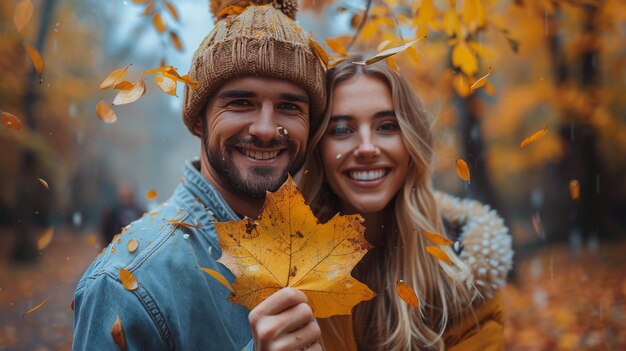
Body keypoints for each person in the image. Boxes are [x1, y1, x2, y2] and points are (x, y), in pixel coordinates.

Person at [72, 1, 326, 350]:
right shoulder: (130, 280)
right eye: (241, 103)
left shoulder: (317, 251)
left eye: (289, 106)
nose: (266, 128)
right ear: (198, 121)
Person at [300, 60, 513, 350]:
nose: (366, 148)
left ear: (412, 142)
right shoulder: (288, 268)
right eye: (341, 129)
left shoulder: (464, 276)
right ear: (318, 148)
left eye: (386, 126)